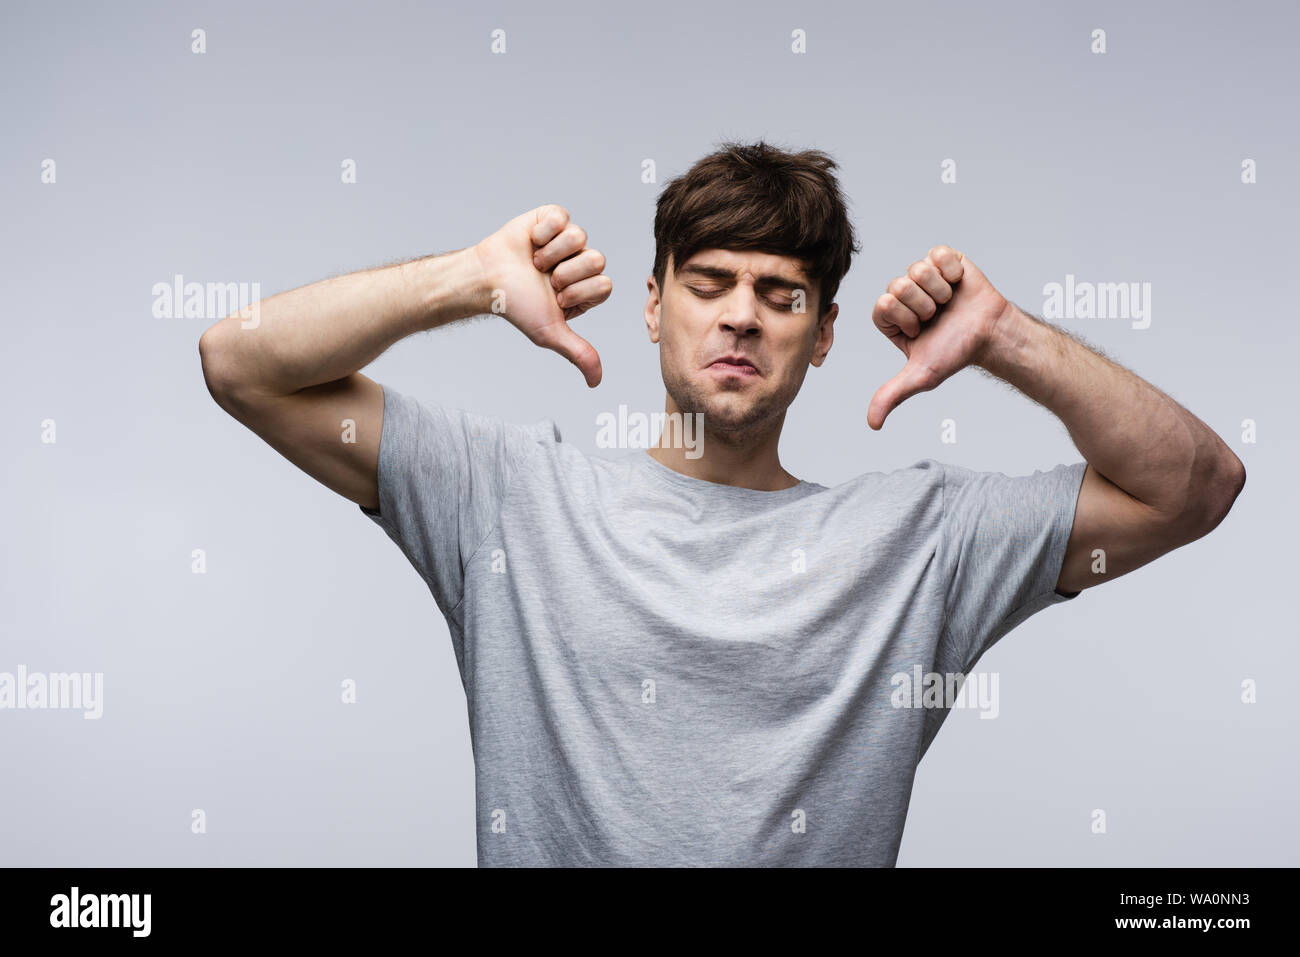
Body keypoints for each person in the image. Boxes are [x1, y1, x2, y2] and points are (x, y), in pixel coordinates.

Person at [198, 141, 1245, 866]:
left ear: (824, 334)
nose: (740, 316)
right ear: (653, 306)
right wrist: (466, 279)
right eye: (707, 283)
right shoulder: (507, 498)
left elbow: (1195, 488)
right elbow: (240, 363)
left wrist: (1009, 338)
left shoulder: (923, 541)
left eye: (780, 294)